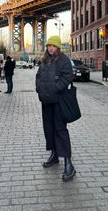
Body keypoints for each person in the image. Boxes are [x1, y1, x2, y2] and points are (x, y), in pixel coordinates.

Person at [36, 35, 76, 182]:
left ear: (58, 47)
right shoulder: (44, 60)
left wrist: (55, 88)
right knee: (49, 128)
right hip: (46, 101)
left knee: (60, 129)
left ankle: (68, 163)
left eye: (53, 46)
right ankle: (54, 155)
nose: (50, 48)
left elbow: (68, 77)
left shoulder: (64, 60)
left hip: (59, 100)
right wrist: (39, 88)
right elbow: (38, 76)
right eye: (49, 46)